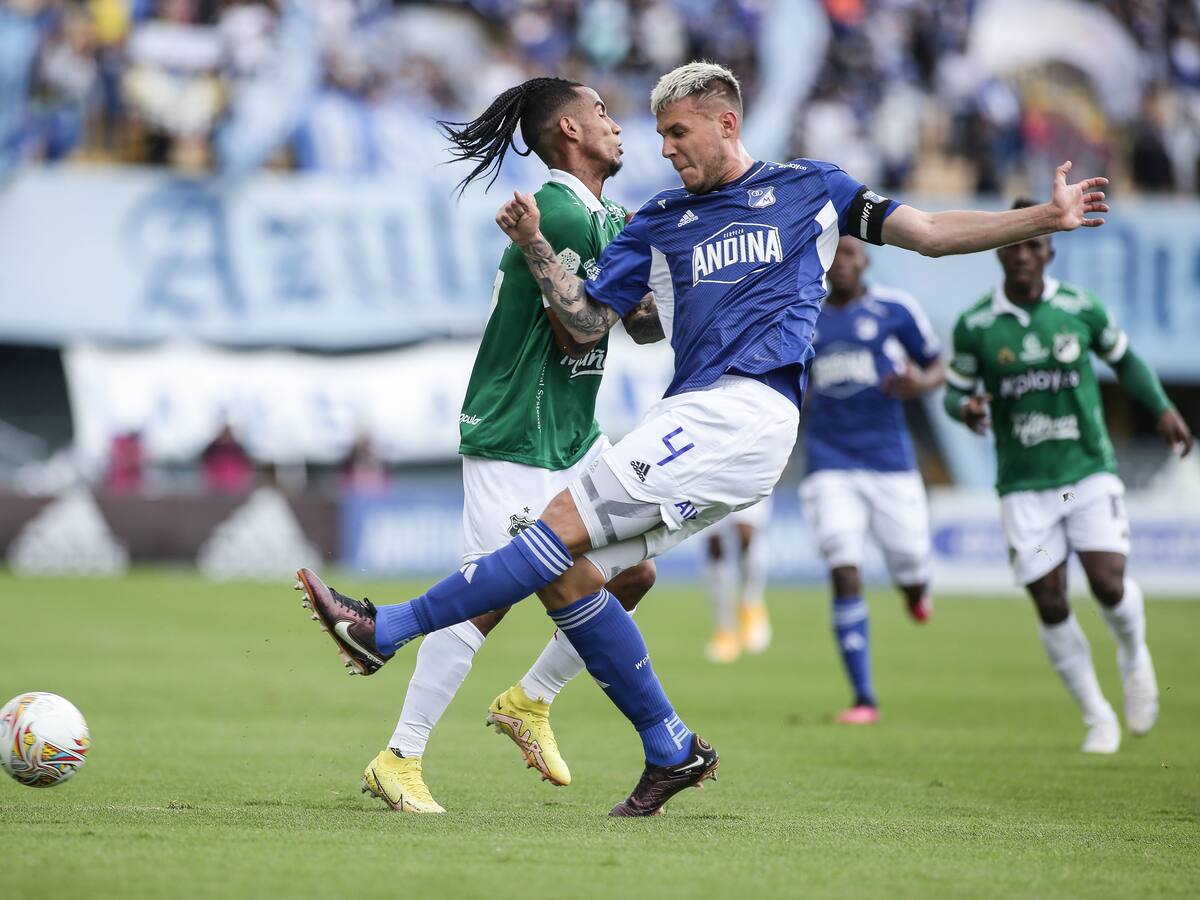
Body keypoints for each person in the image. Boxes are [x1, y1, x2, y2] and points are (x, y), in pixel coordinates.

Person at [295, 61, 1111, 816]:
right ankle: (666, 747)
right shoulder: (659, 219)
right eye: (657, 136)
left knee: (555, 535)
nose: (665, 149)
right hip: (696, 418)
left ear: (725, 121)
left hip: (745, 413)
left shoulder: (810, 188)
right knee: (581, 571)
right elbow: (585, 326)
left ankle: (388, 630)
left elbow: (928, 232)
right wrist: (539, 249)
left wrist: (1046, 215)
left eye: (678, 133)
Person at [334, 77, 664, 814]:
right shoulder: (556, 213)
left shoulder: (608, 215)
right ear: (569, 131)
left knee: (633, 575)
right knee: (481, 601)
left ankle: (529, 700)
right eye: (602, 112)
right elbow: (577, 328)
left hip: (574, 437)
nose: (618, 124)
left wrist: (680, 271)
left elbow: (645, 327)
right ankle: (401, 756)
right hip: (517, 434)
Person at [942, 199, 1194, 754]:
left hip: (1086, 472)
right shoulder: (977, 325)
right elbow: (954, 392)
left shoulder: (1080, 308)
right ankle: (1096, 715)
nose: (1024, 254)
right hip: (1022, 486)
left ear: (1049, 251)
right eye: (1014, 244)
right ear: (999, 250)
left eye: (1034, 245)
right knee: (1050, 600)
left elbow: (1125, 360)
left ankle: (1133, 654)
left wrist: (1162, 408)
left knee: (1107, 583)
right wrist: (968, 410)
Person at [799, 236, 944, 724]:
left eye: (851, 254)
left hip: (890, 463)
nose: (842, 263)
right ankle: (864, 698)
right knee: (844, 567)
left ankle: (915, 590)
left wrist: (919, 384)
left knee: (910, 566)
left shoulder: (896, 309)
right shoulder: (804, 310)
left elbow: (935, 363)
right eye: (834, 254)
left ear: (866, 261)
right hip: (829, 462)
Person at [703, 497, 772, 663]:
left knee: (746, 533)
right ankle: (725, 629)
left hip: (748, 473)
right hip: (710, 477)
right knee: (715, 544)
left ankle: (750, 604)